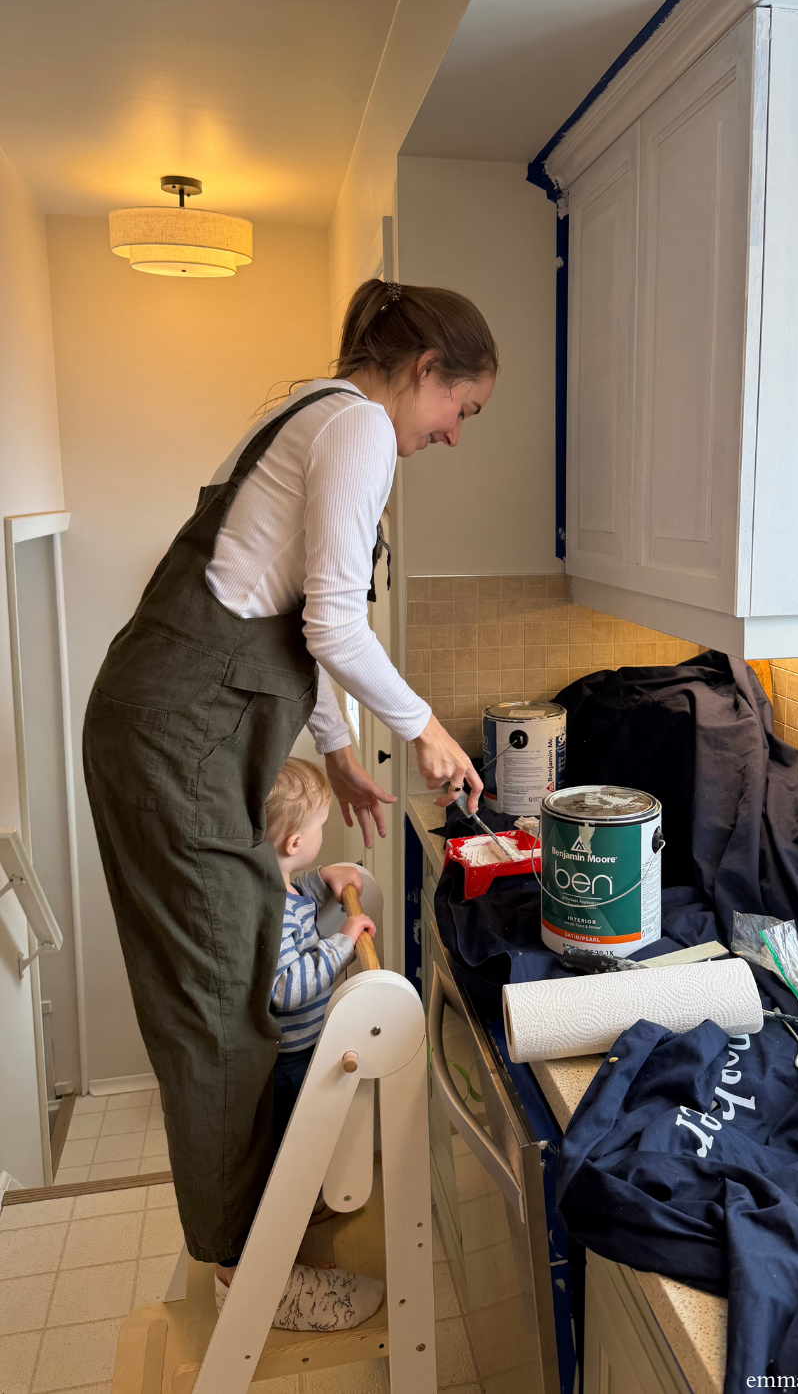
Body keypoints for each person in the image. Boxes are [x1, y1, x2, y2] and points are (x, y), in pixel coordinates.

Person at [82, 278, 496, 1295]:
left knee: (227, 980)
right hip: (176, 739)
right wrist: (424, 730)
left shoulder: (304, 409)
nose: (453, 435)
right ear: (423, 371)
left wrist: (343, 754)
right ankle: (242, 1273)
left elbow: (277, 623)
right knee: (225, 998)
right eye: (461, 408)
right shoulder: (355, 428)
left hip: (169, 725)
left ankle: (244, 1241)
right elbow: (332, 629)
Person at [215, 757, 382, 1331]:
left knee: (301, 1145)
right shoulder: (272, 910)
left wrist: (323, 877)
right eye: (318, 829)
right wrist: (341, 945)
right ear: (293, 839)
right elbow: (286, 986)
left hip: (298, 1051)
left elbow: (296, 890)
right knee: (289, 1152)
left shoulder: (270, 880)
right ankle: (270, 1254)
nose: (320, 835)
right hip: (286, 1060)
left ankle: (296, 1211)